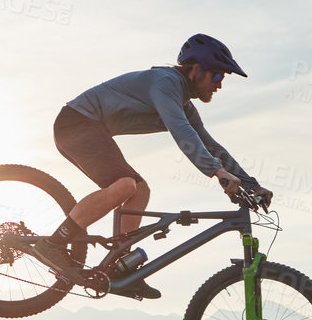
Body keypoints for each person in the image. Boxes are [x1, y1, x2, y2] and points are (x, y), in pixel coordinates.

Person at [28, 34, 271, 298]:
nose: (220, 85)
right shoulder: (166, 83)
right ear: (196, 70)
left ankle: (120, 267)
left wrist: (250, 184)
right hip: (76, 123)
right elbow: (182, 133)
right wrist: (216, 172)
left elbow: (211, 145)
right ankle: (53, 244)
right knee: (124, 185)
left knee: (140, 190)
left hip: (91, 129)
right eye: (216, 76)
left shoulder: (184, 103)